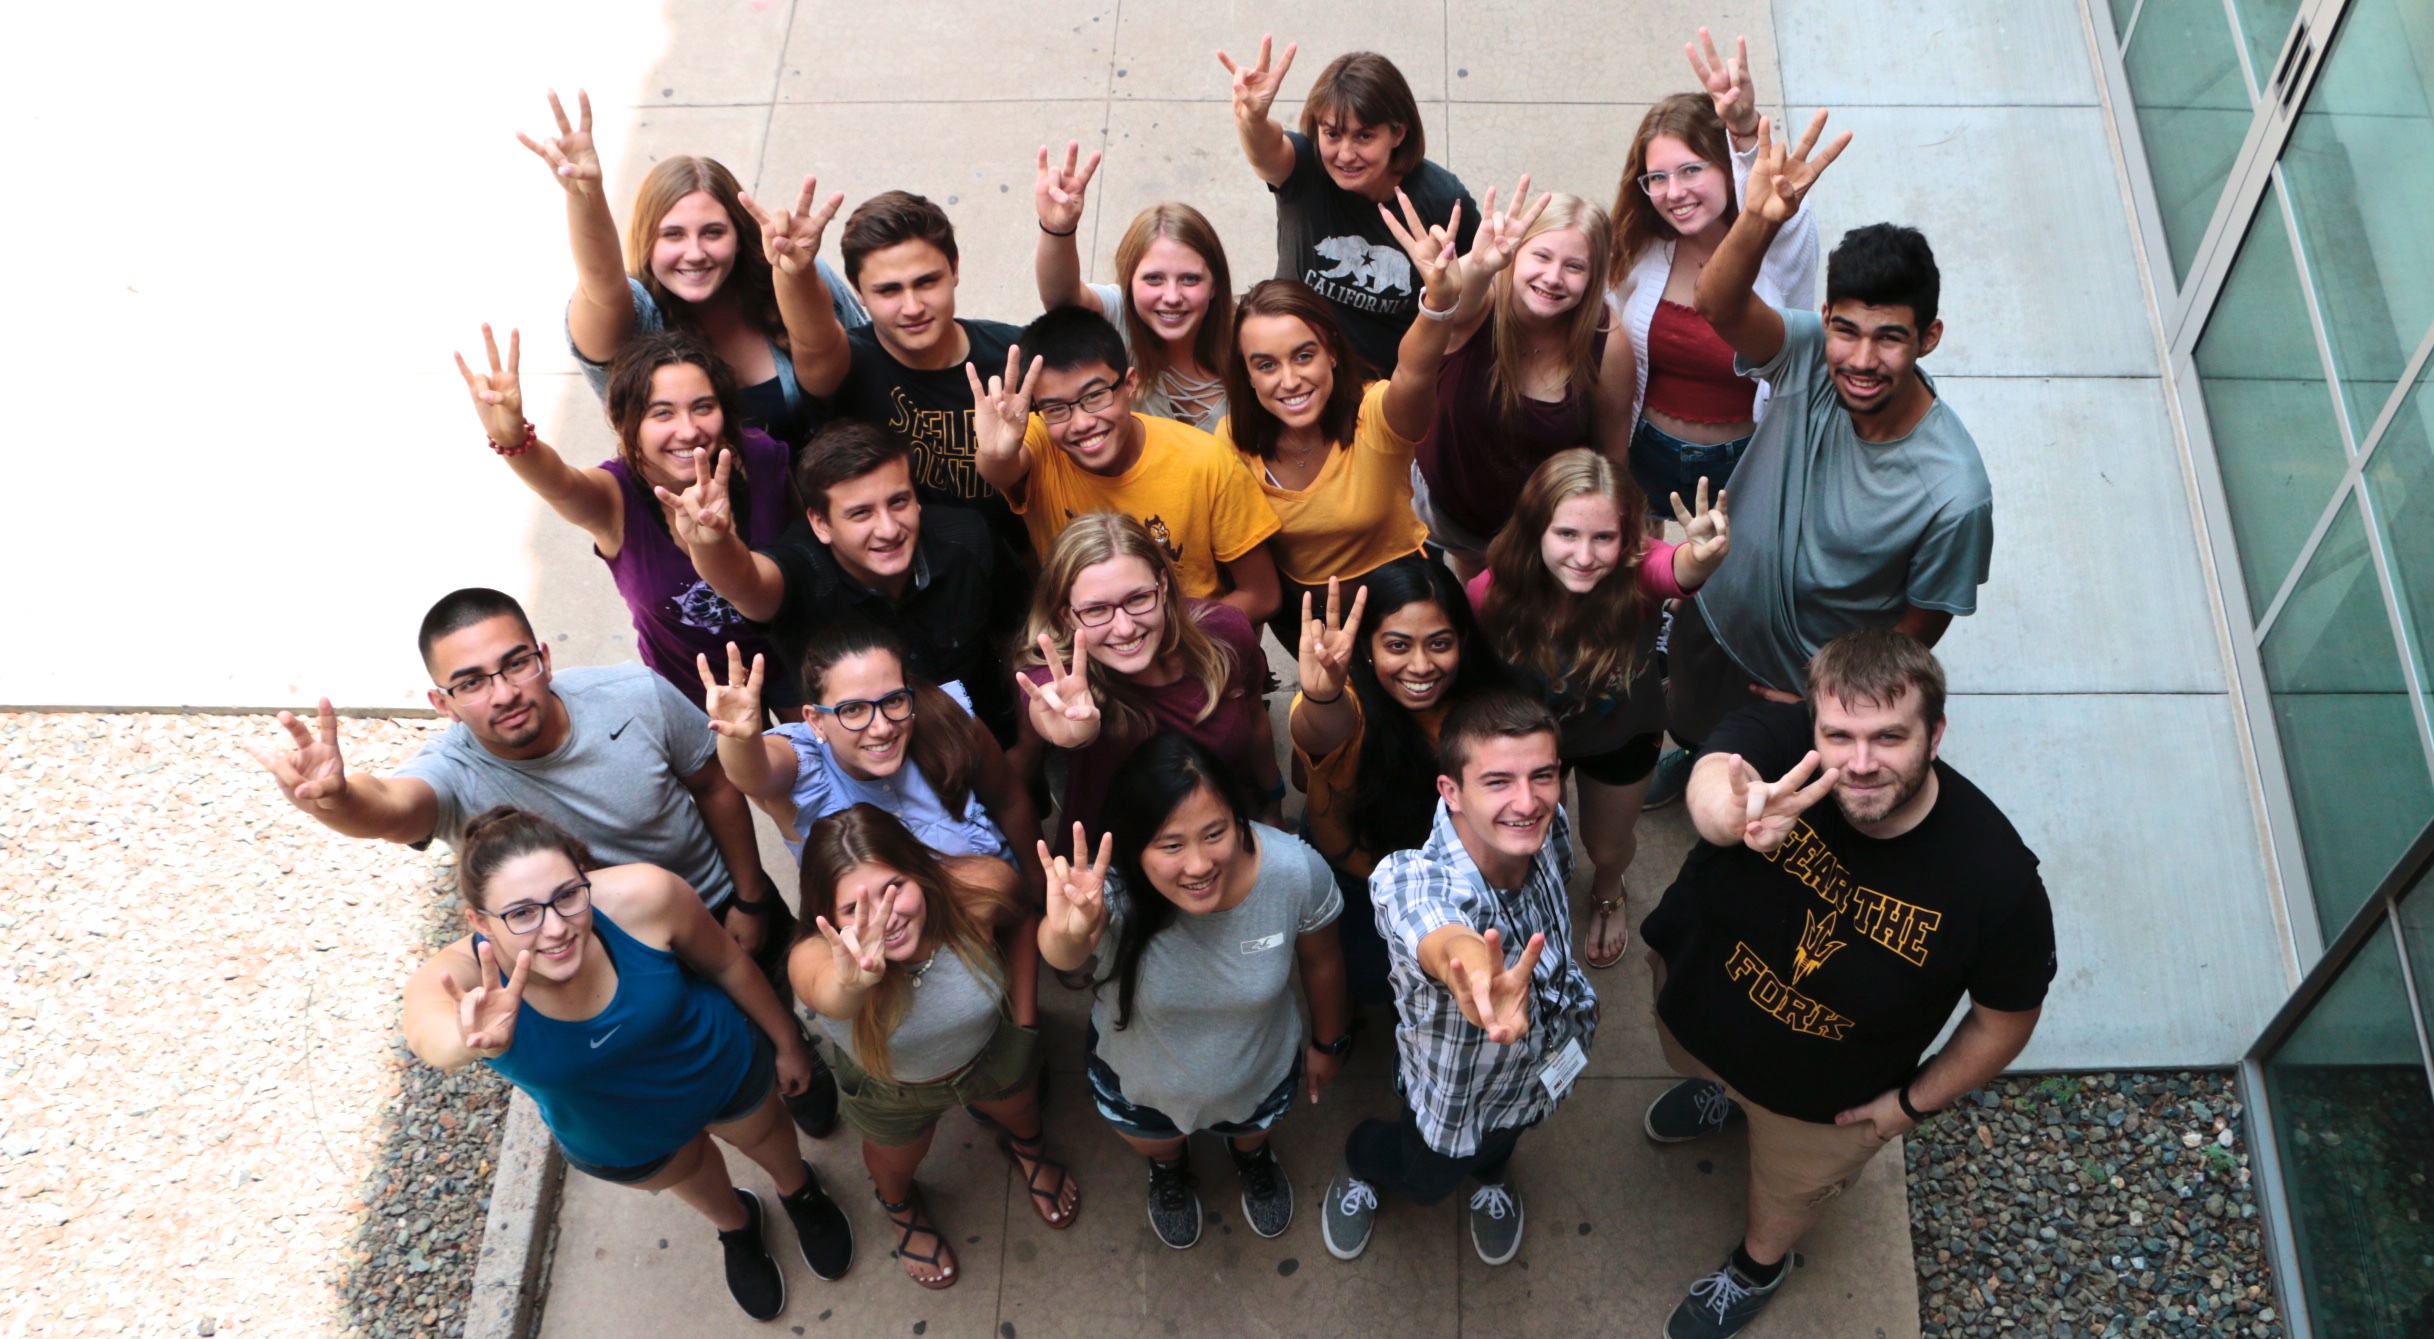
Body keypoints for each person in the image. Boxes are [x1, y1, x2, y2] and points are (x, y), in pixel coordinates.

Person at [1640, 630, 2053, 1339]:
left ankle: (1757, 1267)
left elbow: (2005, 1017)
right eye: (1840, 734)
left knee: (1787, 1192)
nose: (1860, 763)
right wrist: (1734, 815)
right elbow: (1715, 779)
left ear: (1936, 733)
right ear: (1814, 723)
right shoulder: (1782, 744)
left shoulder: (1997, 880)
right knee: (1701, 1068)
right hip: (1703, 1009)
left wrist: (1911, 1104)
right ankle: (1723, 1095)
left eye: (1889, 736)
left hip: (1821, 1099)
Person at [401, 808, 853, 1320]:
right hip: (623, 1137)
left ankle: (801, 1193)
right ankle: (737, 1225)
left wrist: (787, 1041)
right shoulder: (462, 977)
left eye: (568, 895)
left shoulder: (645, 896)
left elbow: (727, 962)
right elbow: (425, 1030)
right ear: (479, 921)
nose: (555, 929)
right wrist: (468, 1039)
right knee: (694, 1174)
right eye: (522, 913)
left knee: (769, 1139)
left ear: (584, 877)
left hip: (722, 1071)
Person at [1668, 114, 1991, 770]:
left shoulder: (1955, 494)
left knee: (1758, 804)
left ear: (1929, 336)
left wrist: (1831, 705)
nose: (1862, 359)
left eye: (1890, 337)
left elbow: (1914, 637)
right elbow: (1719, 305)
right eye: (1847, 329)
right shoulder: (1812, 354)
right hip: (1720, 609)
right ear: (1823, 319)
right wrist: (1757, 220)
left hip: (1797, 688)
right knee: (1690, 722)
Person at [1036, 735, 1350, 1249]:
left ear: (1239, 818)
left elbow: (1322, 959)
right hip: (1140, 1079)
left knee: (1251, 1134)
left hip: (1260, 1071)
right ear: (1137, 845)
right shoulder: (1107, 891)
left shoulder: (1294, 872)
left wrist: (1329, 1042)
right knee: (1161, 1145)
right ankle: (1169, 1171)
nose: (1199, 864)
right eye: (1171, 844)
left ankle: (1252, 1158)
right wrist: (1068, 933)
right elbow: (1063, 954)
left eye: (1214, 832)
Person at [1321, 690, 1598, 1269]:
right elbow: (1431, 922)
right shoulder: (1413, 876)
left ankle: (1493, 1173)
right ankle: (1362, 1164)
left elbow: (1562, 865)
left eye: (1542, 776)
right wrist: (1470, 964)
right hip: (1451, 1096)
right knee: (1423, 1177)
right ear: (1452, 792)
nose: (1527, 802)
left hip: (1537, 1067)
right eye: (1497, 782)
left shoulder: (1546, 825)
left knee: (1505, 1142)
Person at [1217, 177, 1540, 650]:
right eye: (1266, 364)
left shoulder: (1375, 413)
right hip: (1304, 617)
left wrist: (1438, 304)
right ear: (1246, 375)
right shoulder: (1232, 439)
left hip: (1402, 606)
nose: (1288, 380)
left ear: (1331, 352)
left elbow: (1414, 369)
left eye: (1303, 355)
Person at [791, 805, 1076, 1289]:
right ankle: (900, 1208)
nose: (884, 917)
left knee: (1024, 1113)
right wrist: (855, 982)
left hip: (988, 1056)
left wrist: (1023, 1021)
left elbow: (1023, 919)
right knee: (894, 1165)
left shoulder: (977, 888)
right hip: (891, 1089)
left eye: (893, 887)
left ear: (920, 871)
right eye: (853, 909)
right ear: (826, 919)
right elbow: (829, 993)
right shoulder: (813, 958)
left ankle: (1028, 1150)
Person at [1467, 450, 1730, 968]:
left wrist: (1700, 557)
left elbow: (1674, 568)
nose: (1585, 556)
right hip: (1532, 741)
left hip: (1622, 734)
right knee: (1525, 840)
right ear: (1534, 530)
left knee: (1606, 849)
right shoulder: (1490, 594)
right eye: (1567, 534)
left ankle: (1609, 889)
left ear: (1627, 538)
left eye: (1603, 537)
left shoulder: (1637, 573)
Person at [456, 325, 796, 713]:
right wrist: (514, 441)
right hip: (691, 703)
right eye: (662, 413)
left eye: (703, 407)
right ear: (627, 420)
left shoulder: (764, 458)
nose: (688, 431)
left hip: (793, 666)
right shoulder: (612, 498)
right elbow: (560, 484)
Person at [519, 90, 865, 446]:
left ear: (739, 235)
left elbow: (871, 372)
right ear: (647, 241)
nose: (695, 253)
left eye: (713, 232)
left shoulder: (796, 275)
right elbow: (602, 285)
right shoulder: (638, 312)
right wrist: (585, 196)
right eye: (673, 235)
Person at [669, 420, 1027, 741]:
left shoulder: (968, 539)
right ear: (820, 523)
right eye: (861, 513)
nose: (888, 529)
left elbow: (1024, 645)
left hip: (990, 745)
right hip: (874, 784)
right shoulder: (801, 572)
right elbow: (744, 581)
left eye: (899, 501)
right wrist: (712, 543)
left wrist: (1025, 753)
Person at [1604, 32, 1820, 531]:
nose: (1673, 192)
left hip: (1744, 461)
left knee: (1725, 587)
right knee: (1647, 576)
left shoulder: (1775, 244)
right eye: (1657, 177)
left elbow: (1772, 206)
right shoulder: (1640, 246)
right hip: (1648, 450)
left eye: (1690, 170)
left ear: (1725, 168)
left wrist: (1744, 129)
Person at [968, 307, 1282, 623]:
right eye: (1057, 408)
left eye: (1094, 396)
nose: (1081, 423)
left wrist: (1176, 640)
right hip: (1083, 649)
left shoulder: (1206, 461)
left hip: (1192, 645)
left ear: (1130, 383)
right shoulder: (1040, 438)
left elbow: (1262, 594)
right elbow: (1002, 470)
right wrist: (995, 453)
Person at [696, 628, 1041, 909]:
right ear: (815, 721)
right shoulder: (803, 764)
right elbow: (753, 776)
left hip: (996, 915)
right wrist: (740, 738)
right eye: (853, 710)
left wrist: (1042, 896)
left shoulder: (943, 717)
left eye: (892, 700)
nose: (881, 728)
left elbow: (1009, 801)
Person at [1287, 558, 1503, 1004]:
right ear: (1367, 648)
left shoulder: (1487, 706)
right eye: (1398, 646)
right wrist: (1322, 696)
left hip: (1447, 884)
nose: (1420, 666)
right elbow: (1319, 728)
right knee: (1371, 985)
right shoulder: (1343, 701)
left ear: (1463, 641)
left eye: (1439, 643)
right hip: (1356, 885)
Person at [769, 189, 1031, 555]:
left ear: (955, 269)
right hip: (896, 584)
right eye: (889, 290)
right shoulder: (848, 365)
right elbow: (813, 341)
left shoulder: (1016, 355)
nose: (912, 307)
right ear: (858, 292)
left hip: (1020, 576)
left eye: (926, 282)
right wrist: (795, 273)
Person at [1012, 513, 1283, 845]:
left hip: (1224, 832)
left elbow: (1255, 717)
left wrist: (1273, 803)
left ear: (1163, 585)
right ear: (1066, 616)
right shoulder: (1057, 678)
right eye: (1097, 610)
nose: (1125, 628)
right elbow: (1045, 709)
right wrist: (1075, 733)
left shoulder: (1225, 633)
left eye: (1137, 598)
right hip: (1114, 860)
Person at [1219, 38, 1479, 374]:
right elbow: (1266, 151)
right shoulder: (1304, 168)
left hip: (1386, 390)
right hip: (1292, 373)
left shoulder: (1441, 198)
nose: (1344, 154)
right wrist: (1252, 119)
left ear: (1398, 133)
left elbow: (1476, 290)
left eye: (1364, 137)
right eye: (1332, 134)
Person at [1411, 191, 1616, 581]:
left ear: (1593, 278)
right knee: (1475, 592)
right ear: (1515, 254)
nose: (1553, 277)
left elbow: (1611, 454)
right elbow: (1456, 301)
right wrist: (1477, 265)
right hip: (1453, 514)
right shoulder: (1479, 308)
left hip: (1543, 531)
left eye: (1574, 266)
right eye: (1541, 256)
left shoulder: (1605, 339)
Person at [1033, 142, 1235, 430]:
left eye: (1190, 279)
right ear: (1129, 281)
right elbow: (1061, 301)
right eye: (1154, 278)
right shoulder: (1121, 314)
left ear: (1215, 284)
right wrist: (1058, 229)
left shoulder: (1246, 333)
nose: (1172, 296)